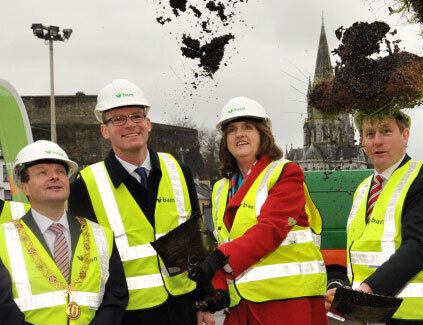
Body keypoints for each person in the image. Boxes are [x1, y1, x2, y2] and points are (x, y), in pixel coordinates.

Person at [68, 79, 204, 325]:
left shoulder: (178, 170)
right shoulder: (84, 187)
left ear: (148, 123)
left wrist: (205, 301)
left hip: (182, 309)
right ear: (104, 130)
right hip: (127, 315)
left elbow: (195, 241)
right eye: (118, 119)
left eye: (136, 116)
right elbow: (84, 264)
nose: (129, 124)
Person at [194, 96, 327, 324]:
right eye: (232, 129)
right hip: (241, 306)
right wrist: (213, 291)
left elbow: (273, 227)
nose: (239, 134)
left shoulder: (286, 173)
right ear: (225, 140)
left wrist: (219, 259)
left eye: (248, 127)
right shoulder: (220, 189)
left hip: (288, 304)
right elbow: (222, 240)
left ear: (262, 134)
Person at [325, 110, 423, 324]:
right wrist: (351, 296)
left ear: (405, 136)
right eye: (370, 134)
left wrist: (367, 290)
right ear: (362, 141)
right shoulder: (363, 189)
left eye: (386, 131)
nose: (378, 141)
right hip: (376, 315)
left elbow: (418, 247)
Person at [0, 140, 128, 324]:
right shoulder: (3, 239)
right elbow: (4, 309)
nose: (54, 177)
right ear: (25, 186)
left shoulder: (102, 236)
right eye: (42, 172)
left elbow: (115, 298)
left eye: (60, 172)